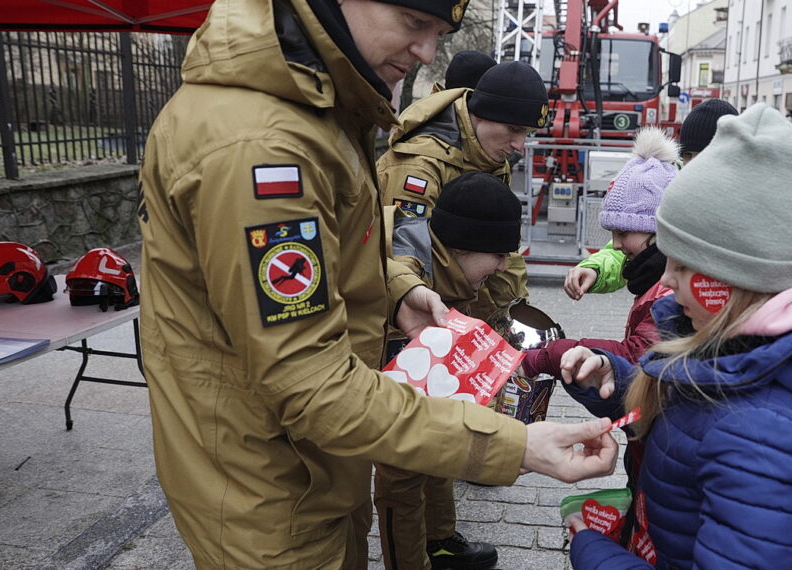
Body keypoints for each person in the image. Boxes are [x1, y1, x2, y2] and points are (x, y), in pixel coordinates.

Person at [135, 0, 618, 567]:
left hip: (307, 467)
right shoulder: (263, 149)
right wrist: (514, 446)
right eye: (414, 25)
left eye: (438, 33)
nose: (427, 54)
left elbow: (328, 251)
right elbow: (313, 386)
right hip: (267, 484)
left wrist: (396, 291)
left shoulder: (316, 110)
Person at [559, 103, 792, 568]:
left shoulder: (766, 443)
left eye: (682, 266)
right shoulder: (726, 339)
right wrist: (616, 377)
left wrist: (596, 555)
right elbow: (697, 408)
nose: (667, 282)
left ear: (737, 279)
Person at [376, 172, 520, 570]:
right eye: (499, 255)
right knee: (403, 471)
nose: (505, 264)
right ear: (462, 246)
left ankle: (438, 541)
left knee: (436, 436)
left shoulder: (449, 263)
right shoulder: (411, 271)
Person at [377, 60, 548, 321]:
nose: (519, 145)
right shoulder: (419, 166)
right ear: (480, 114)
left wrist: (512, 316)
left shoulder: (491, 159)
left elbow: (500, 251)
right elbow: (404, 258)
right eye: (514, 129)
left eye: (526, 133)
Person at [523, 127, 677, 376]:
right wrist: (595, 268)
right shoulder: (655, 270)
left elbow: (635, 357)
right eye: (613, 234)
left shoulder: (670, 289)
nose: (615, 245)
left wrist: (551, 355)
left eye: (623, 234)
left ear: (656, 229)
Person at [562, 99, 738, 301]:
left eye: (703, 155)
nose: (691, 164)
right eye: (687, 155)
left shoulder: (746, 207)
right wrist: (596, 270)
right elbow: (630, 247)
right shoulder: (672, 191)